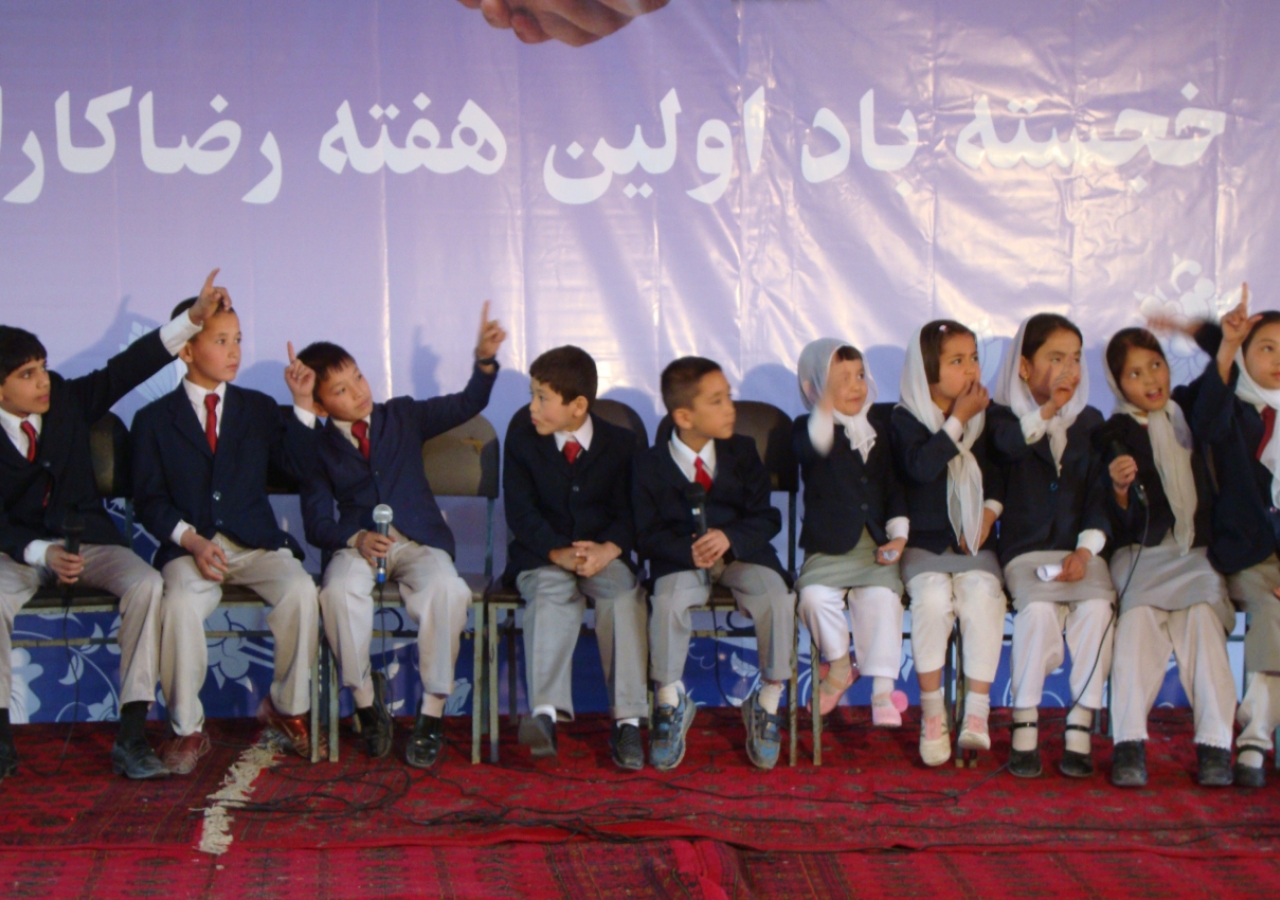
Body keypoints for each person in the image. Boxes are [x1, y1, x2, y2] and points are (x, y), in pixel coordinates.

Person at [0, 270, 230, 779]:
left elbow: (125, 369)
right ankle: (2, 743)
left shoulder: (62, 399)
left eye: (42, 368)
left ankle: (131, 736)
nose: (42, 382)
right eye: (26, 375)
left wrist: (190, 319)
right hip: (16, 552)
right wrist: (39, 552)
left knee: (147, 584)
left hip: (90, 542)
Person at [296, 305, 505, 769]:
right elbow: (315, 524)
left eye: (359, 377)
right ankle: (367, 704)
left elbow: (467, 403)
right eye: (341, 390)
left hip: (420, 542)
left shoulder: (404, 416)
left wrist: (484, 361)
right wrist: (354, 539)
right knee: (336, 592)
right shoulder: (315, 447)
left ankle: (432, 713)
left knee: (448, 591)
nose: (359, 392)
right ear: (318, 404)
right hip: (359, 546)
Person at [131, 284, 321, 774]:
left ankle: (287, 708)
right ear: (186, 348)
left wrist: (302, 404)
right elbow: (148, 500)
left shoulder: (257, 408)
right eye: (220, 341)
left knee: (301, 590)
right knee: (178, 604)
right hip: (190, 549)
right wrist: (189, 539)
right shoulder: (152, 421)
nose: (233, 351)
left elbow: (299, 469)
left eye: (237, 339)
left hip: (255, 544)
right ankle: (187, 728)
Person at [634, 357, 794, 771]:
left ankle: (768, 702)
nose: (731, 409)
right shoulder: (649, 465)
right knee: (667, 601)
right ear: (684, 416)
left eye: (729, 397)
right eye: (717, 401)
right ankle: (669, 703)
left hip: (741, 556)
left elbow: (767, 516)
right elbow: (644, 532)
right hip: (680, 561)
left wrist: (731, 538)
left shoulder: (742, 451)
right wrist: (685, 551)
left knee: (776, 596)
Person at [1151, 286, 1280, 786]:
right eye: (1266, 347)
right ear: (1244, 355)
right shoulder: (1231, 408)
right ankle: (1252, 741)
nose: (1276, 360)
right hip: (1245, 555)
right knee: (1271, 608)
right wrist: (1222, 345)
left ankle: (1256, 731)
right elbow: (1206, 419)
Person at [1097, 327, 1236, 788]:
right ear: (1119, 383)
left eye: (1155, 365)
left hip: (1194, 552)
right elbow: (1112, 520)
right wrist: (1119, 489)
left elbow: (1222, 372)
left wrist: (1209, 332)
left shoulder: (1190, 412)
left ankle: (1216, 747)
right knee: (1136, 625)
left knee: (1201, 619)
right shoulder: (1112, 431)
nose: (1150, 380)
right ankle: (1128, 745)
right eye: (1135, 374)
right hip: (1141, 552)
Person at [503, 345, 648, 769]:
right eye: (532, 394)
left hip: (602, 557)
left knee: (623, 598)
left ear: (578, 406)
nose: (531, 406)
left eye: (542, 398)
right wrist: (555, 551)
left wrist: (610, 549)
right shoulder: (522, 436)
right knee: (550, 595)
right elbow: (520, 511)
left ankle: (628, 722)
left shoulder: (622, 443)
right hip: (542, 555)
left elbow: (633, 511)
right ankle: (544, 716)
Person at [989, 314, 1115, 778]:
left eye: (1076, 359)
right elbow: (1008, 449)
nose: (1069, 370)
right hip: (1027, 555)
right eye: (1055, 358)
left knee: (1098, 612)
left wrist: (1085, 551)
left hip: (1081, 553)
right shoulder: (1002, 418)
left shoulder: (1093, 422)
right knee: (1038, 613)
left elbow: (1101, 496)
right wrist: (1044, 412)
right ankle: (1024, 725)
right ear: (1024, 367)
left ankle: (1079, 727)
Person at [891, 320, 1006, 767]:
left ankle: (977, 712)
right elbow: (920, 468)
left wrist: (989, 514)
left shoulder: (986, 414)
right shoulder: (905, 418)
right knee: (934, 600)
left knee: (982, 596)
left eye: (974, 358)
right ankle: (933, 711)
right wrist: (957, 419)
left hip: (974, 545)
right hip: (923, 546)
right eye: (956, 361)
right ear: (926, 370)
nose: (971, 369)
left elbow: (999, 477)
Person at [793, 339, 909, 726]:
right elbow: (815, 447)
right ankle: (840, 667)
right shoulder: (809, 428)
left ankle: (881, 692)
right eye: (841, 379)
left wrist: (899, 537)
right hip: (829, 549)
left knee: (882, 598)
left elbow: (892, 488)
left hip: (874, 547)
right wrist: (824, 404)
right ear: (813, 389)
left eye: (860, 375)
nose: (856, 386)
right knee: (812, 598)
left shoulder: (880, 427)